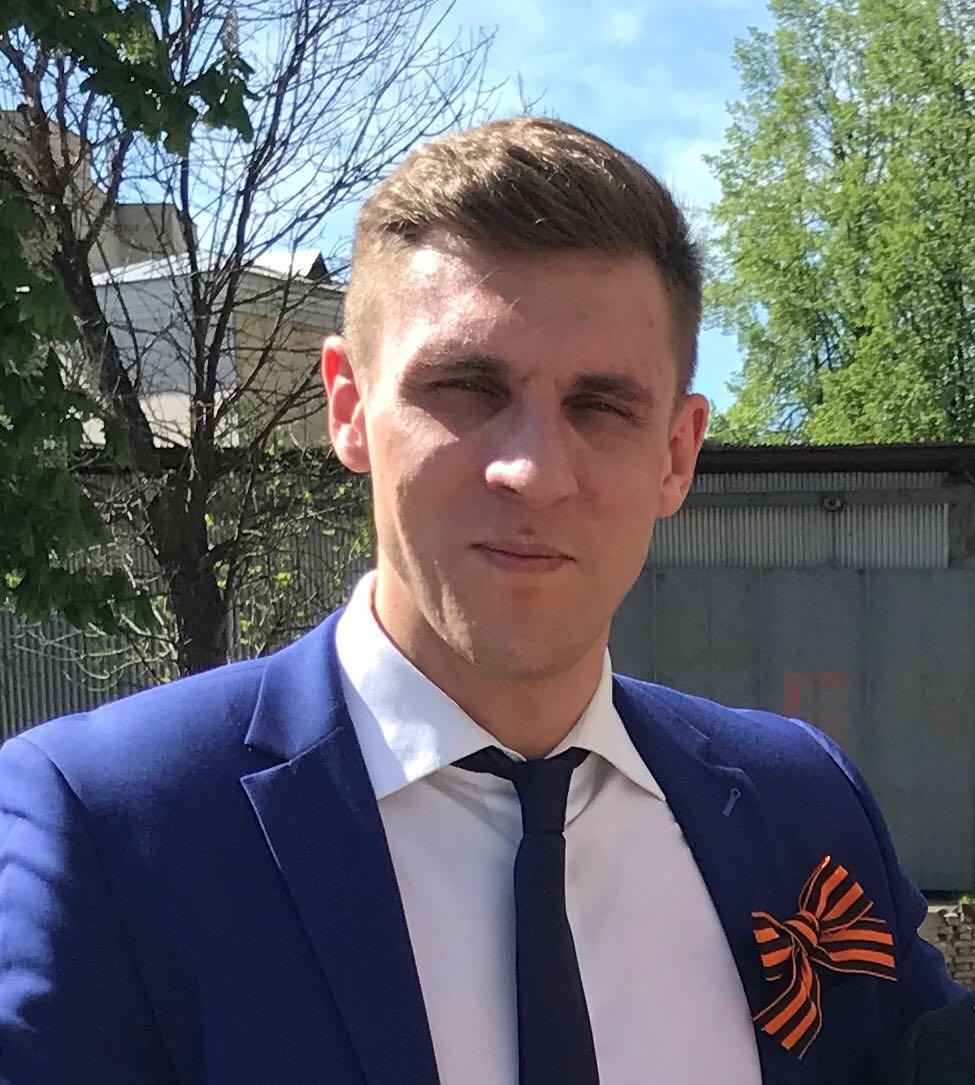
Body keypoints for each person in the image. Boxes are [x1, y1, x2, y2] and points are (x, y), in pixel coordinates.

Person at [0, 116, 966, 1085]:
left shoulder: (802, 807)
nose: (533, 471)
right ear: (348, 407)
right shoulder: (110, 827)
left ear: (676, 454)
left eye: (601, 405)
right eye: (465, 386)